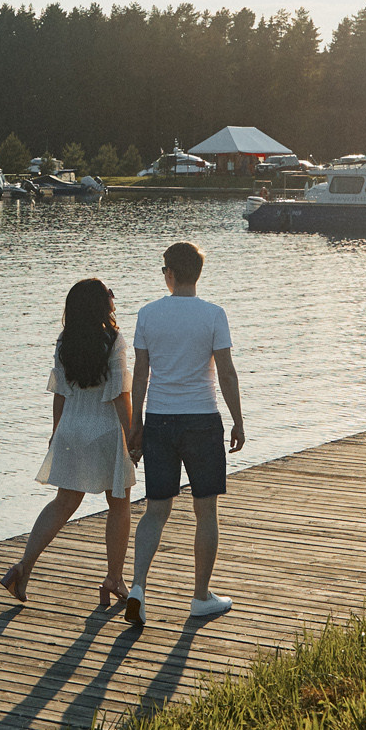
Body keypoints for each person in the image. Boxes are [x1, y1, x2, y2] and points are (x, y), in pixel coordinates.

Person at [0, 277, 138, 609]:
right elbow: (121, 394)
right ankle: (114, 578)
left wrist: (55, 431)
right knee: (118, 504)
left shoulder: (65, 341)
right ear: (102, 304)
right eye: (109, 294)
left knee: (63, 503)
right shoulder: (114, 340)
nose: (113, 298)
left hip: (72, 429)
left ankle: (23, 567)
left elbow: (60, 392)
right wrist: (133, 435)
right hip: (106, 431)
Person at [127, 240, 244, 622]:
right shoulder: (213, 315)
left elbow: (140, 375)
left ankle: (139, 588)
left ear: (171, 274)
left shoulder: (147, 314)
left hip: (160, 418)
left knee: (156, 509)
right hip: (201, 420)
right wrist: (238, 420)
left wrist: (136, 424)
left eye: (163, 270)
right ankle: (200, 596)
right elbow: (225, 372)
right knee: (205, 509)